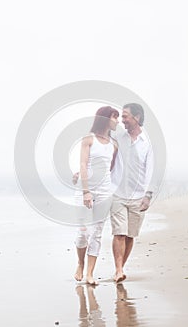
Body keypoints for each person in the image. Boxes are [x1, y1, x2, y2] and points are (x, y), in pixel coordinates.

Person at [74, 106, 119, 285]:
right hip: (85, 189)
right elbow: (84, 165)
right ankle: (80, 263)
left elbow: (110, 168)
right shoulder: (88, 139)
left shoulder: (114, 144)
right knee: (82, 233)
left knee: (97, 234)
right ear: (105, 118)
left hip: (104, 191)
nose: (117, 121)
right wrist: (86, 190)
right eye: (114, 117)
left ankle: (90, 274)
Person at [110, 103, 154, 283]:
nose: (123, 120)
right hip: (118, 194)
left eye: (126, 116)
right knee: (119, 233)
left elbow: (151, 170)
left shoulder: (148, 143)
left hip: (138, 196)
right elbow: (103, 151)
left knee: (129, 235)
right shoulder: (119, 137)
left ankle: (121, 268)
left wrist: (148, 195)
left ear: (136, 117)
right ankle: (118, 270)